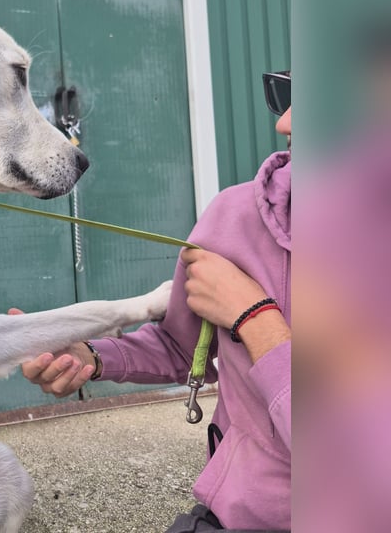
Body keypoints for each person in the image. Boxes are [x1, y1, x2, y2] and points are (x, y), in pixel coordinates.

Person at [19, 72, 292, 532]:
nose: (286, 122)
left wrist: (256, 319)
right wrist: (91, 357)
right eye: (287, 93)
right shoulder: (235, 216)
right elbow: (183, 347)